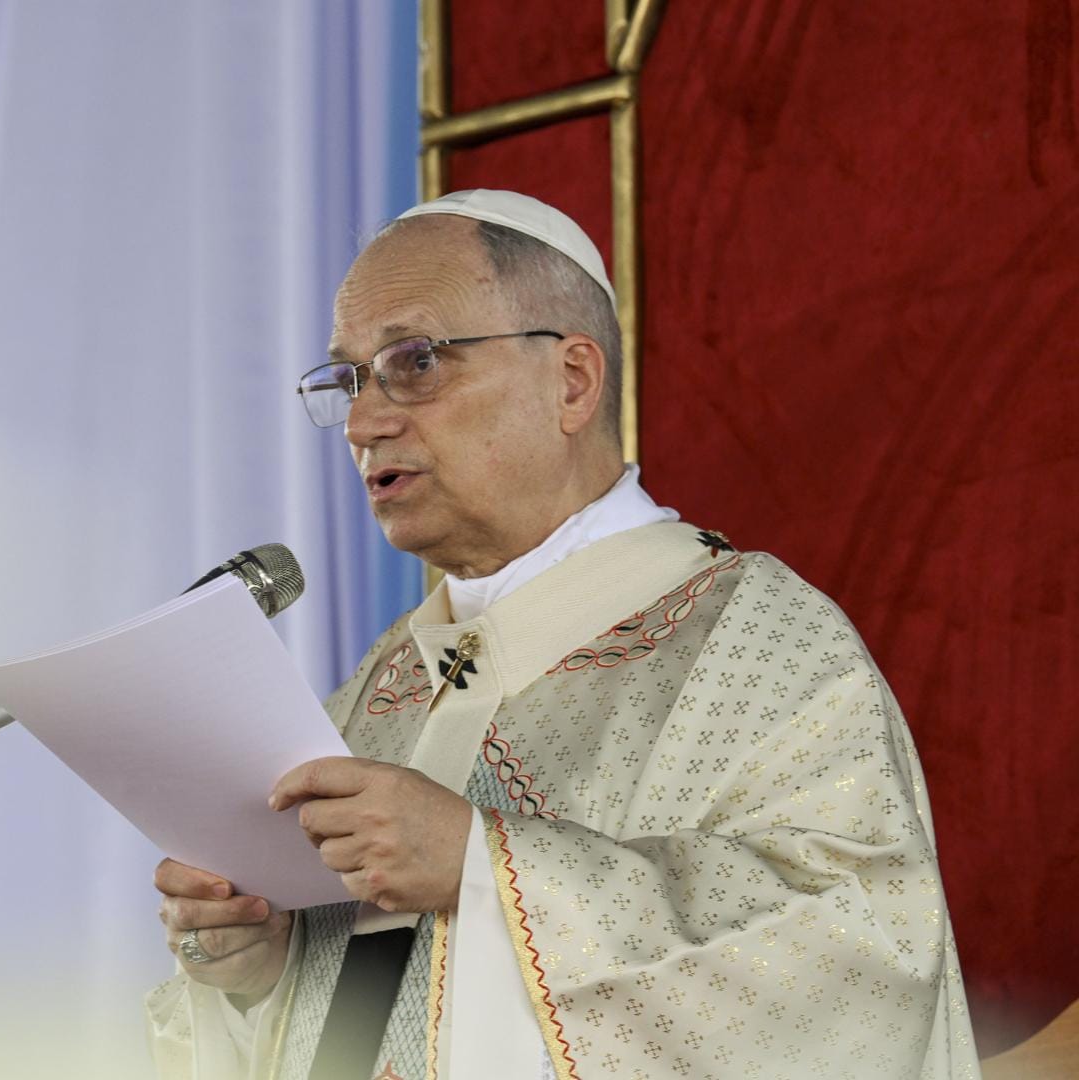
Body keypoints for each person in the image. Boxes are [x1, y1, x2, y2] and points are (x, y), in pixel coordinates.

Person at [144, 190, 980, 1080]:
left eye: (414, 362)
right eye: (348, 380)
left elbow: (858, 964)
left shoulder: (755, 639)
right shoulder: (382, 683)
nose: (362, 423)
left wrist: (483, 862)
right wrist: (260, 974)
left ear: (572, 381)